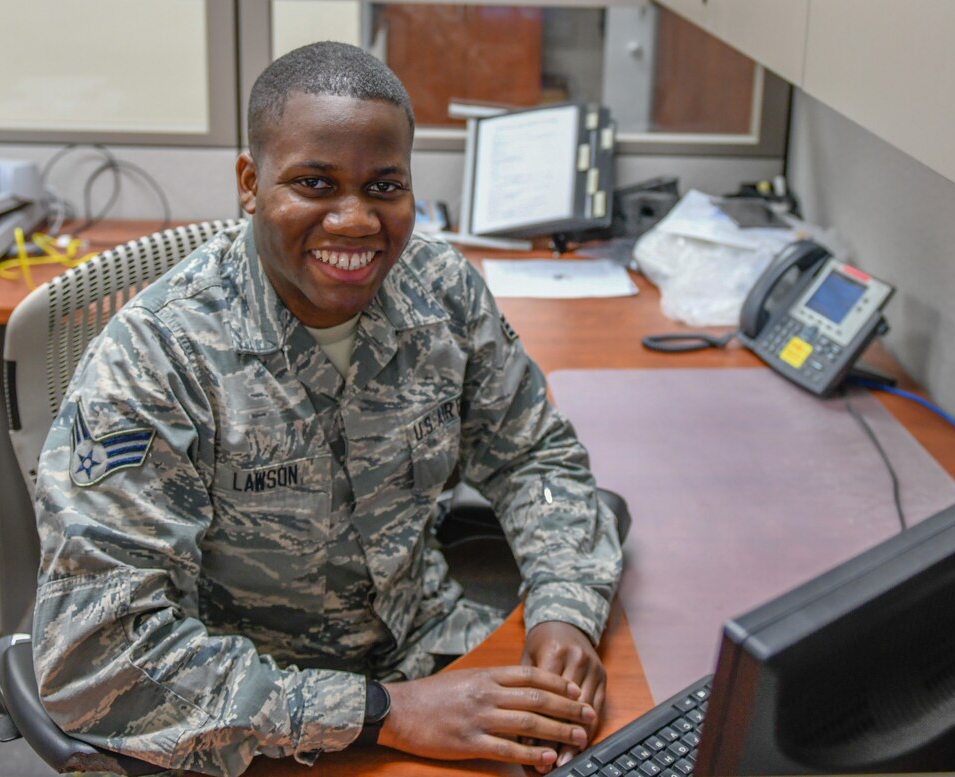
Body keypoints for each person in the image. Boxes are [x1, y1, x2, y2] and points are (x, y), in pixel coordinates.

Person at [32, 41, 622, 777]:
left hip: (437, 651)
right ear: (250, 183)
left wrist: (565, 607)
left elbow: (535, 453)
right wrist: (385, 712)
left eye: (384, 186)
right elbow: (94, 656)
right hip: (254, 721)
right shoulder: (154, 359)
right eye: (314, 183)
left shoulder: (439, 289)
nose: (355, 222)